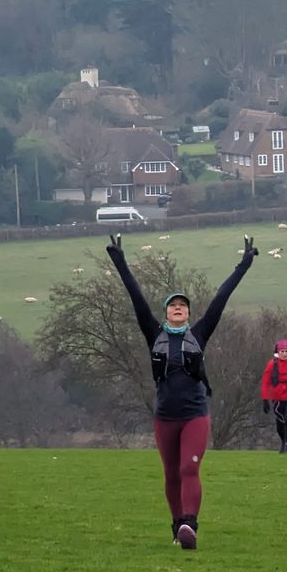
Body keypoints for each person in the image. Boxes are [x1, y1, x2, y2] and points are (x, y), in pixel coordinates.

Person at [106, 231, 257, 551]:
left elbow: (220, 299)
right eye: (173, 305)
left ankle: (191, 523)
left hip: (194, 415)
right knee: (171, 474)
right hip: (165, 416)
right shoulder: (154, 334)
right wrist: (120, 264)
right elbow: (137, 299)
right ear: (165, 313)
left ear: (188, 314)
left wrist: (242, 267)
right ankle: (177, 527)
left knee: (189, 467)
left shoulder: (199, 334)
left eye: (183, 306)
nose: (178, 308)